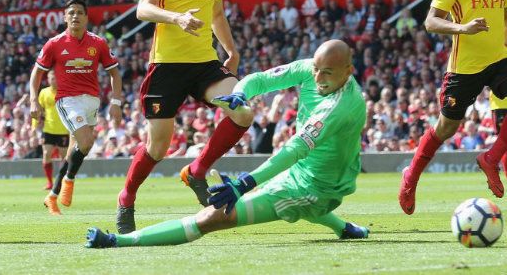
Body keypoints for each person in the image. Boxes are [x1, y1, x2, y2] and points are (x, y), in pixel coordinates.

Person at [86, 40, 369, 248]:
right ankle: (345, 229)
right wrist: (241, 93)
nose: (317, 78)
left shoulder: (340, 107)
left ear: (348, 70)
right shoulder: (310, 69)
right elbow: (260, 79)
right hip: (308, 174)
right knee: (296, 201)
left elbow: (294, 149)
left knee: (211, 218)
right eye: (317, 69)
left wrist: (245, 182)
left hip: (317, 187)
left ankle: (118, 241)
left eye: (327, 73)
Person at [116, 0, 254, 234]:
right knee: (158, 147)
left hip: (204, 62)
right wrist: (177, 17)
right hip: (166, 66)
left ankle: (197, 170)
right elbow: (143, 9)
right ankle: (127, 196)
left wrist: (231, 50)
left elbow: (217, 13)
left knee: (243, 112)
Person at [399, 0, 507, 214]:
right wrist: (463, 28)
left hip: (500, 60)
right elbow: (431, 22)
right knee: (446, 128)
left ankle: (491, 158)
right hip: (465, 69)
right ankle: (411, 176)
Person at [30, 0, 123, 215]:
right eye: (71, 12)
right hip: (67, 100)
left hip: (92, 100)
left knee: (78, 149)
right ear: (64, 18)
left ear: (86, 18)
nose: (75, 16)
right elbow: (37, 73)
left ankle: (52, 196)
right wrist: (34, 99)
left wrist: (116, 102)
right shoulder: (54, 44)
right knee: (86, 141)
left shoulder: (98, 43)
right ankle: (69, 181)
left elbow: (115, 73)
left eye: (80, 12)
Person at [30, 69, 71, 192]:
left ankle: (62, 181)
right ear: (48, 79)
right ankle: (49, 182)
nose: (54, 80)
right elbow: (37, 110)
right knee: (46, 154)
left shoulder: (65, 92)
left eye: (56, 78)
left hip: (64, 131)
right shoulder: (44, 92)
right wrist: (34, 126)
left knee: (64, 158)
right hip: (48, 130)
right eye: (51, 78)